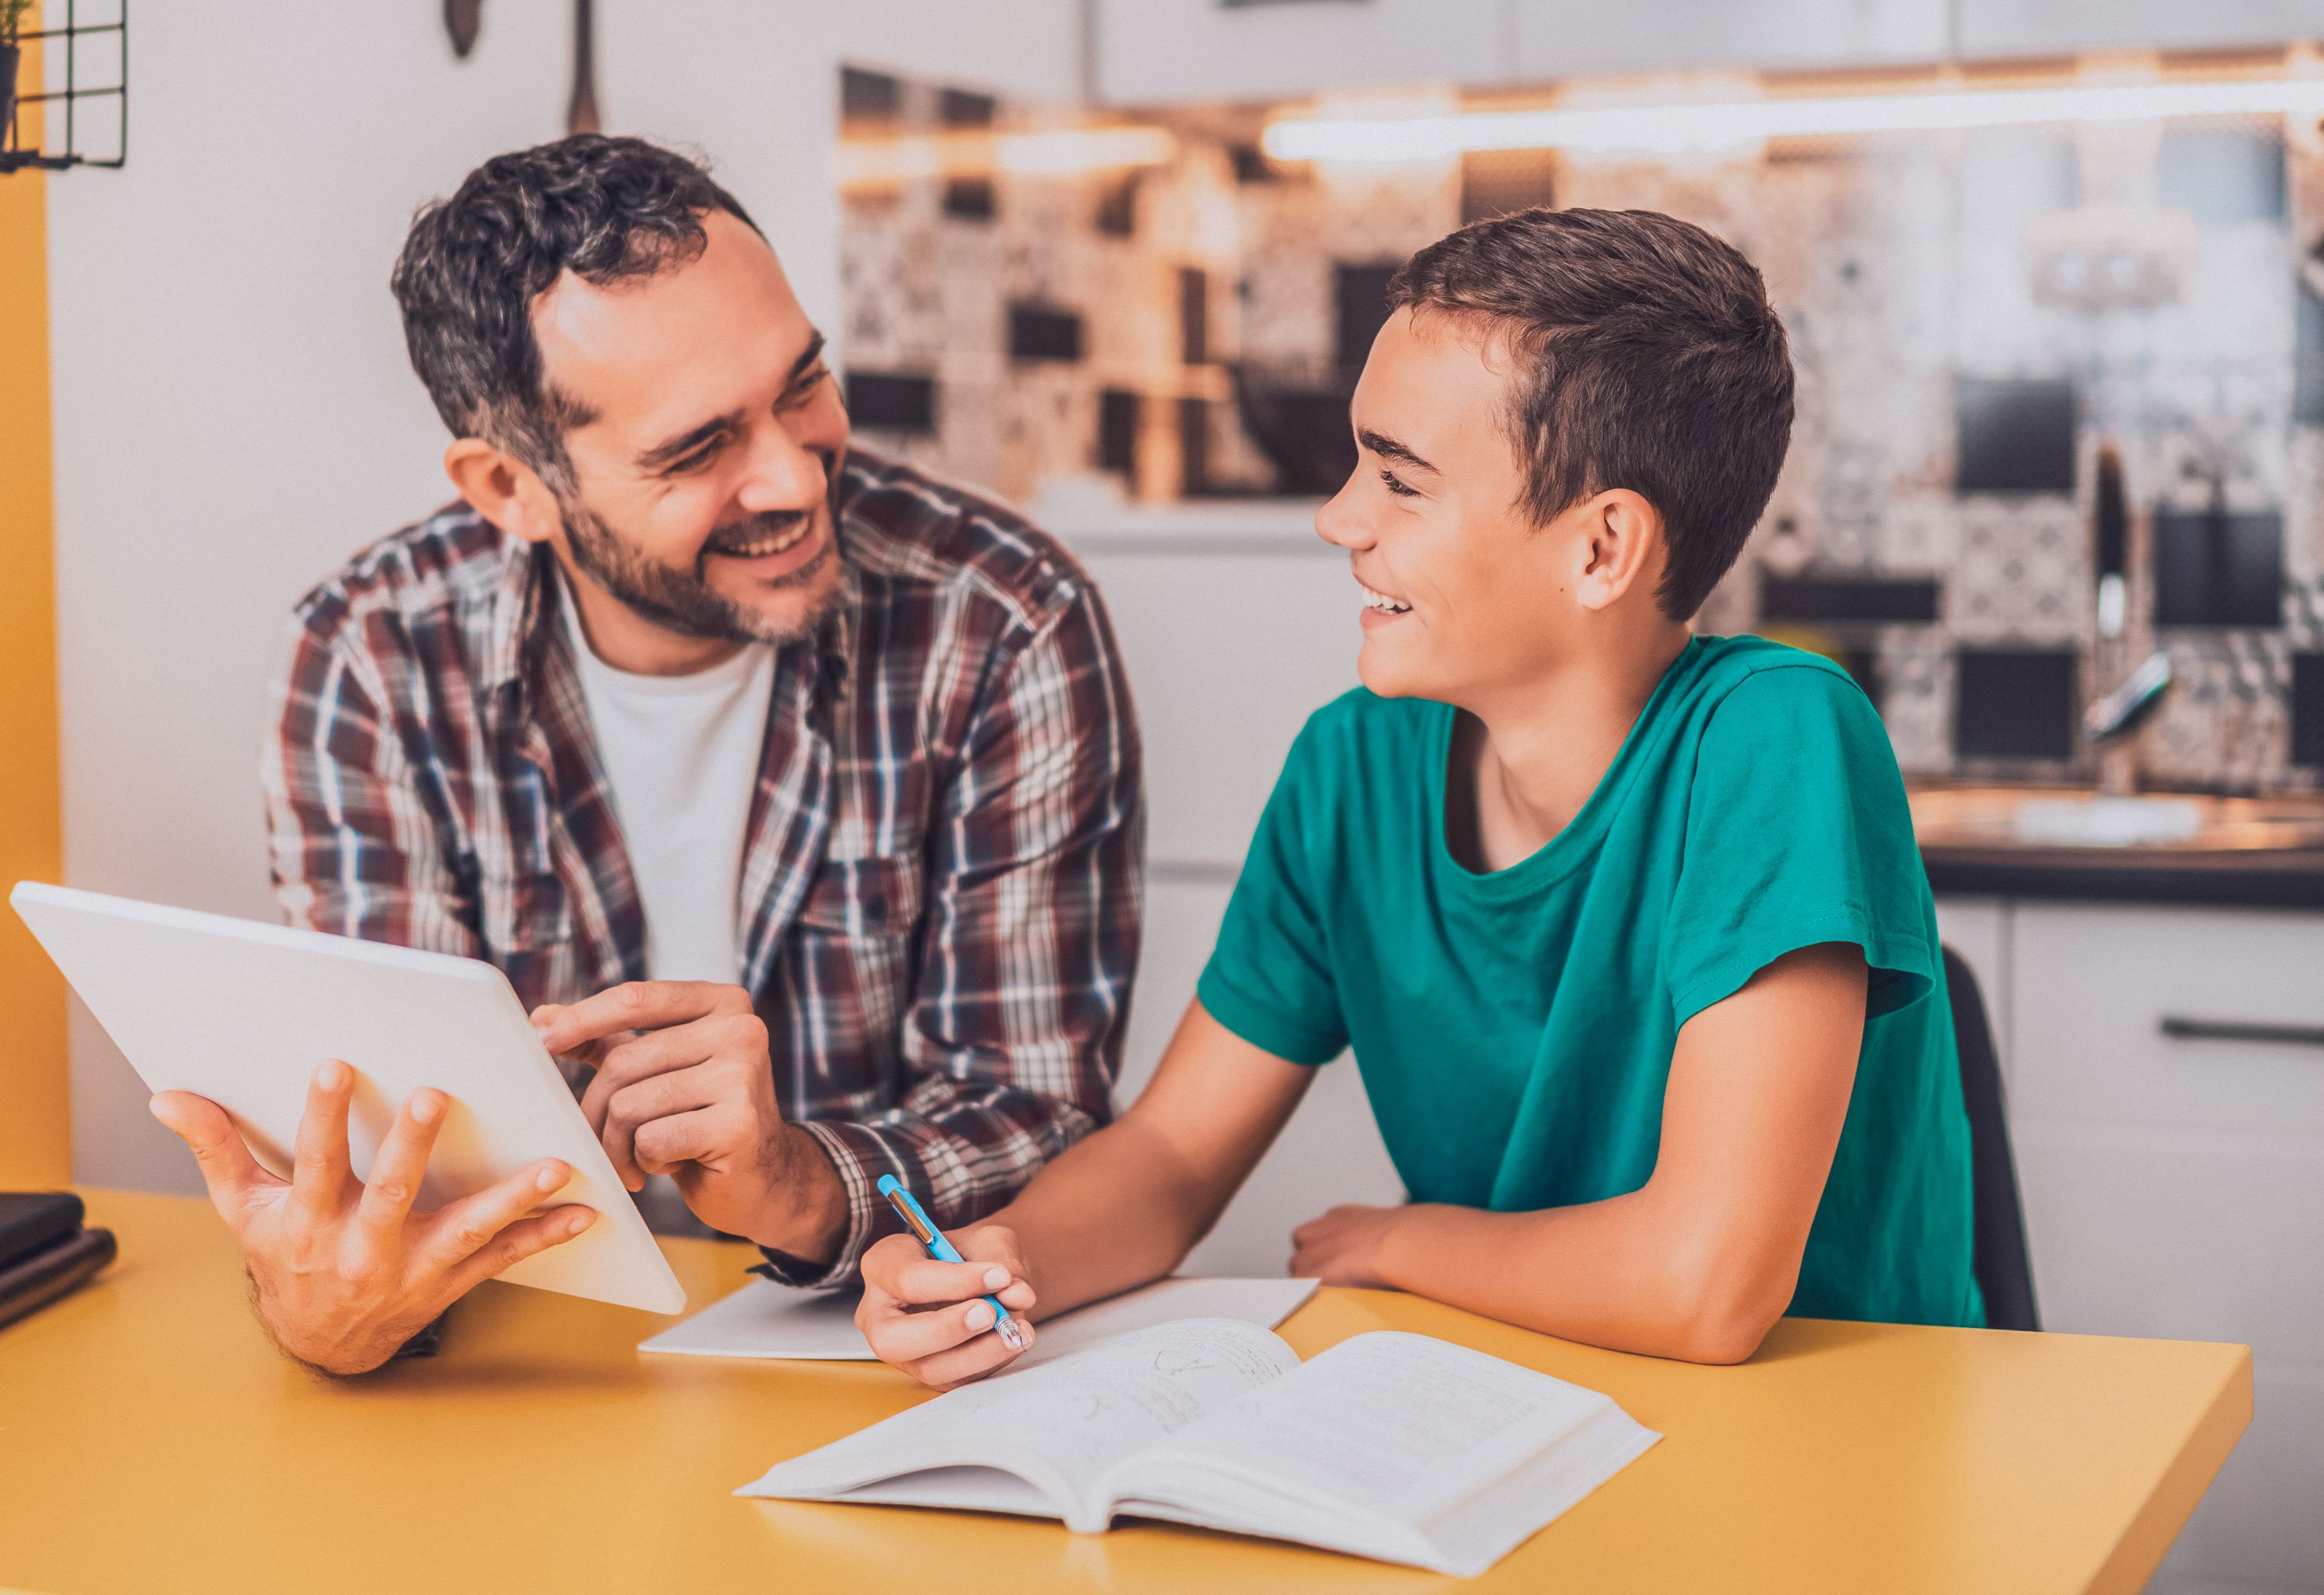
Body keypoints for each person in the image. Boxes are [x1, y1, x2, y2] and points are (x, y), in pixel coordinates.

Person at [857, 207, 1982, 1385]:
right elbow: (1177, 1154)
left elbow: (1707, 1290)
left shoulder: (1775, 735)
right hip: (1517, 1398)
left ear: (1601, 550)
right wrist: (992, 1257)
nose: (1338, 519)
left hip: (1830, 1426)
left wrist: (1403, 1240)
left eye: (1399, 481)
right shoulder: (1353, 768)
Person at [148, 136, 1143, 1375]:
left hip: (881, 1366)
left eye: (802, 386)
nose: (793, 476)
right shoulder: (372, 658)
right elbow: (383, 1155)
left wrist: (799, 1184)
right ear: (510, 488)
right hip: (530, 1366)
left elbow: (1035, 1105)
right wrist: (325, 1304)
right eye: (696, 449)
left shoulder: (1000, 617)